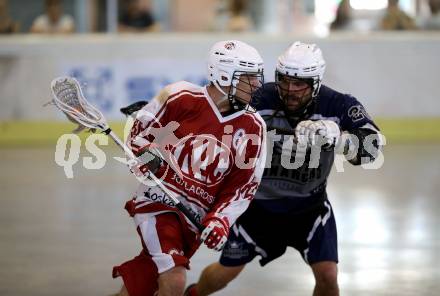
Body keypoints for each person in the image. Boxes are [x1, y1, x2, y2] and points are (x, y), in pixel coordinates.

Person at [184, 42, 383, 296]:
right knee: (223, 274)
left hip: (310, 209)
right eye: (285, 80)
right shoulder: (259, 98)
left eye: (300, 84)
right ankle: (193, 293)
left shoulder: (338, 105)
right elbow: (213, 115)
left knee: (328, 276)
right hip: (257, 208)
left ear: (316, 82)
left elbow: (373, 147)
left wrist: (339, 139)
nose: (290, 90)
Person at [113, 40, 267, 296]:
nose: (257, 84)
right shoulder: (180, 97)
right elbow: (139, 135)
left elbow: (242, 187)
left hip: (194, 221)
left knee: (143, 284)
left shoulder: (254, 126)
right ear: (224, 75)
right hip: (157, 203)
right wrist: (146, 156)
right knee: (174, 280)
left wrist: (220, 220)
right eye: (249, 77)